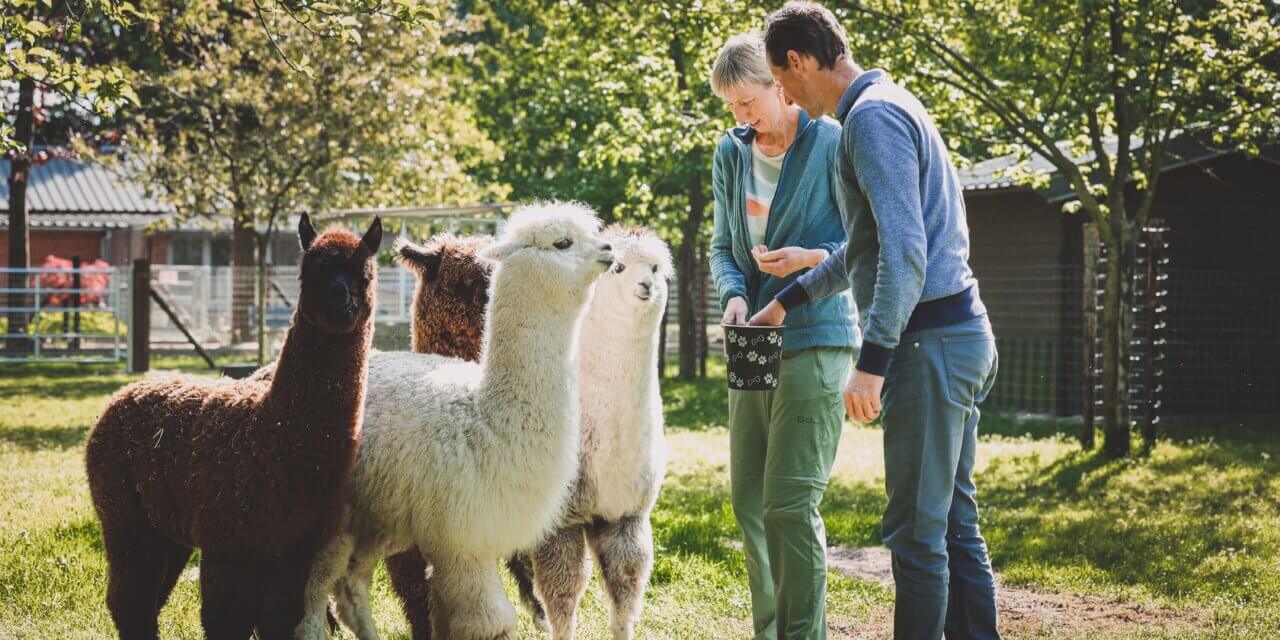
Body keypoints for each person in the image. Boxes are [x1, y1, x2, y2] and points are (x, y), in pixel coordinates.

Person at [750, 3, 1002, 639]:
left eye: (779, 80)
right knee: (948, 525)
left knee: (916, 535)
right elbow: (866, 247)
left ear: (801, 63)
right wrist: (791, 298)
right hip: (956, 335)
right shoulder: (886, 105)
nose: (783, 95)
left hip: (931, 343)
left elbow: (906, 253)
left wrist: (873, 361)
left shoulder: (872, 120)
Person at [707, 31, 858, 640]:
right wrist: (736, 295)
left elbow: (860, 243)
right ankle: (767, 631)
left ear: (781, 84)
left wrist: (807, 258)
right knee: (749, 501)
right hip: (752, 340)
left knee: (789, 506)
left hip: (815, 332)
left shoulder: (832, 142)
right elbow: (723, 248)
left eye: (750, 102)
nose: (742, 118)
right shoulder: (732, 152)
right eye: (732, 108)